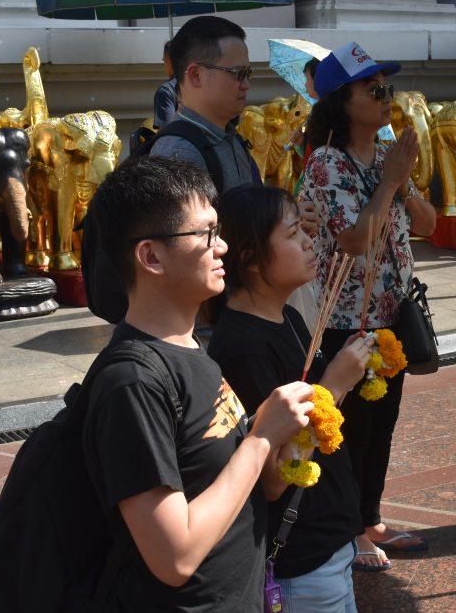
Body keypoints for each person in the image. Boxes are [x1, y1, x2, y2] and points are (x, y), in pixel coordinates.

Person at [82, 155, 314, 610]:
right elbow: (176, 556)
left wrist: (281, 437)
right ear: (150, 256)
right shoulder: (132, 382)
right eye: (206, 234)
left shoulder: (192, 350)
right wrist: (261, 438)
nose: (222, 246)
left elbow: (249, 489)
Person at [209, 185, 388, 604]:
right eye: (293, 234)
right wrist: (334, 385)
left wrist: (344, 377)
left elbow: (317, 422)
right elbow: (272, 476)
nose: (310, 242)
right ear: (251, 259)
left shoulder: (286, 314)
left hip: (330, 541)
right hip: (300, 556)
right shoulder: (243, 349)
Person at [302, 42, 437, 561]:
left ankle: (371, 519)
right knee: (348, 430)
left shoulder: (387, 158)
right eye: (374, 89)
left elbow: (427, 225)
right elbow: (356, 240)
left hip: (390, 316)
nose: (387, 98)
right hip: (341, 323)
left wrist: (401, 183)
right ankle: (347, 530)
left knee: (382, 427)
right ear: (342, 101)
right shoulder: (326, 166)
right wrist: (388, 183)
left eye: (389, 89)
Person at [151, 16, 262, 193]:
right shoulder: (179, 154)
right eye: (238, 73)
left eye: (248, 73)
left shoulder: (229, 137)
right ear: (196, 75)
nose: (247, 84)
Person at [153, 41, 179, 129]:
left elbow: (167, 131)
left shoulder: (166, 91)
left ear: (169, 61)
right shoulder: (200, 85)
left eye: (164, 60)